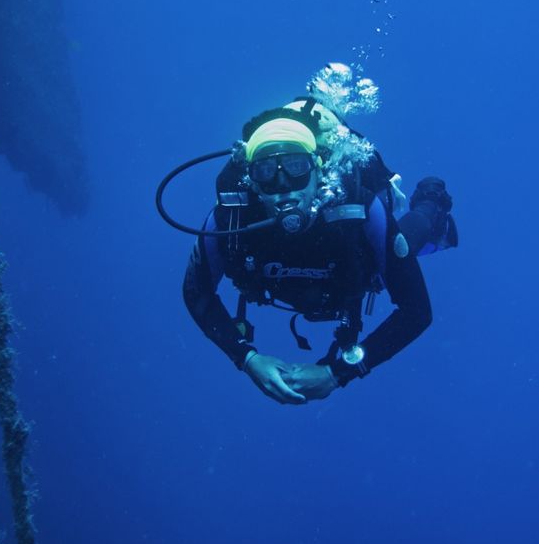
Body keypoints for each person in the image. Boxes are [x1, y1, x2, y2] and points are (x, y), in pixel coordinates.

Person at [180, 92, 457, 405]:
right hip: (332, 278)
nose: (284, 186)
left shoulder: (359, 210)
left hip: (357, 271)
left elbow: (417, 310)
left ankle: (431, 204)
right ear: (252, 181)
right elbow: (195, 291)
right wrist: (246, 358)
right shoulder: (229, 220)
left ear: (318, 169)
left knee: (409, 236)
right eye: (267, 172)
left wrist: (339, 372)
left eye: (296, 167)